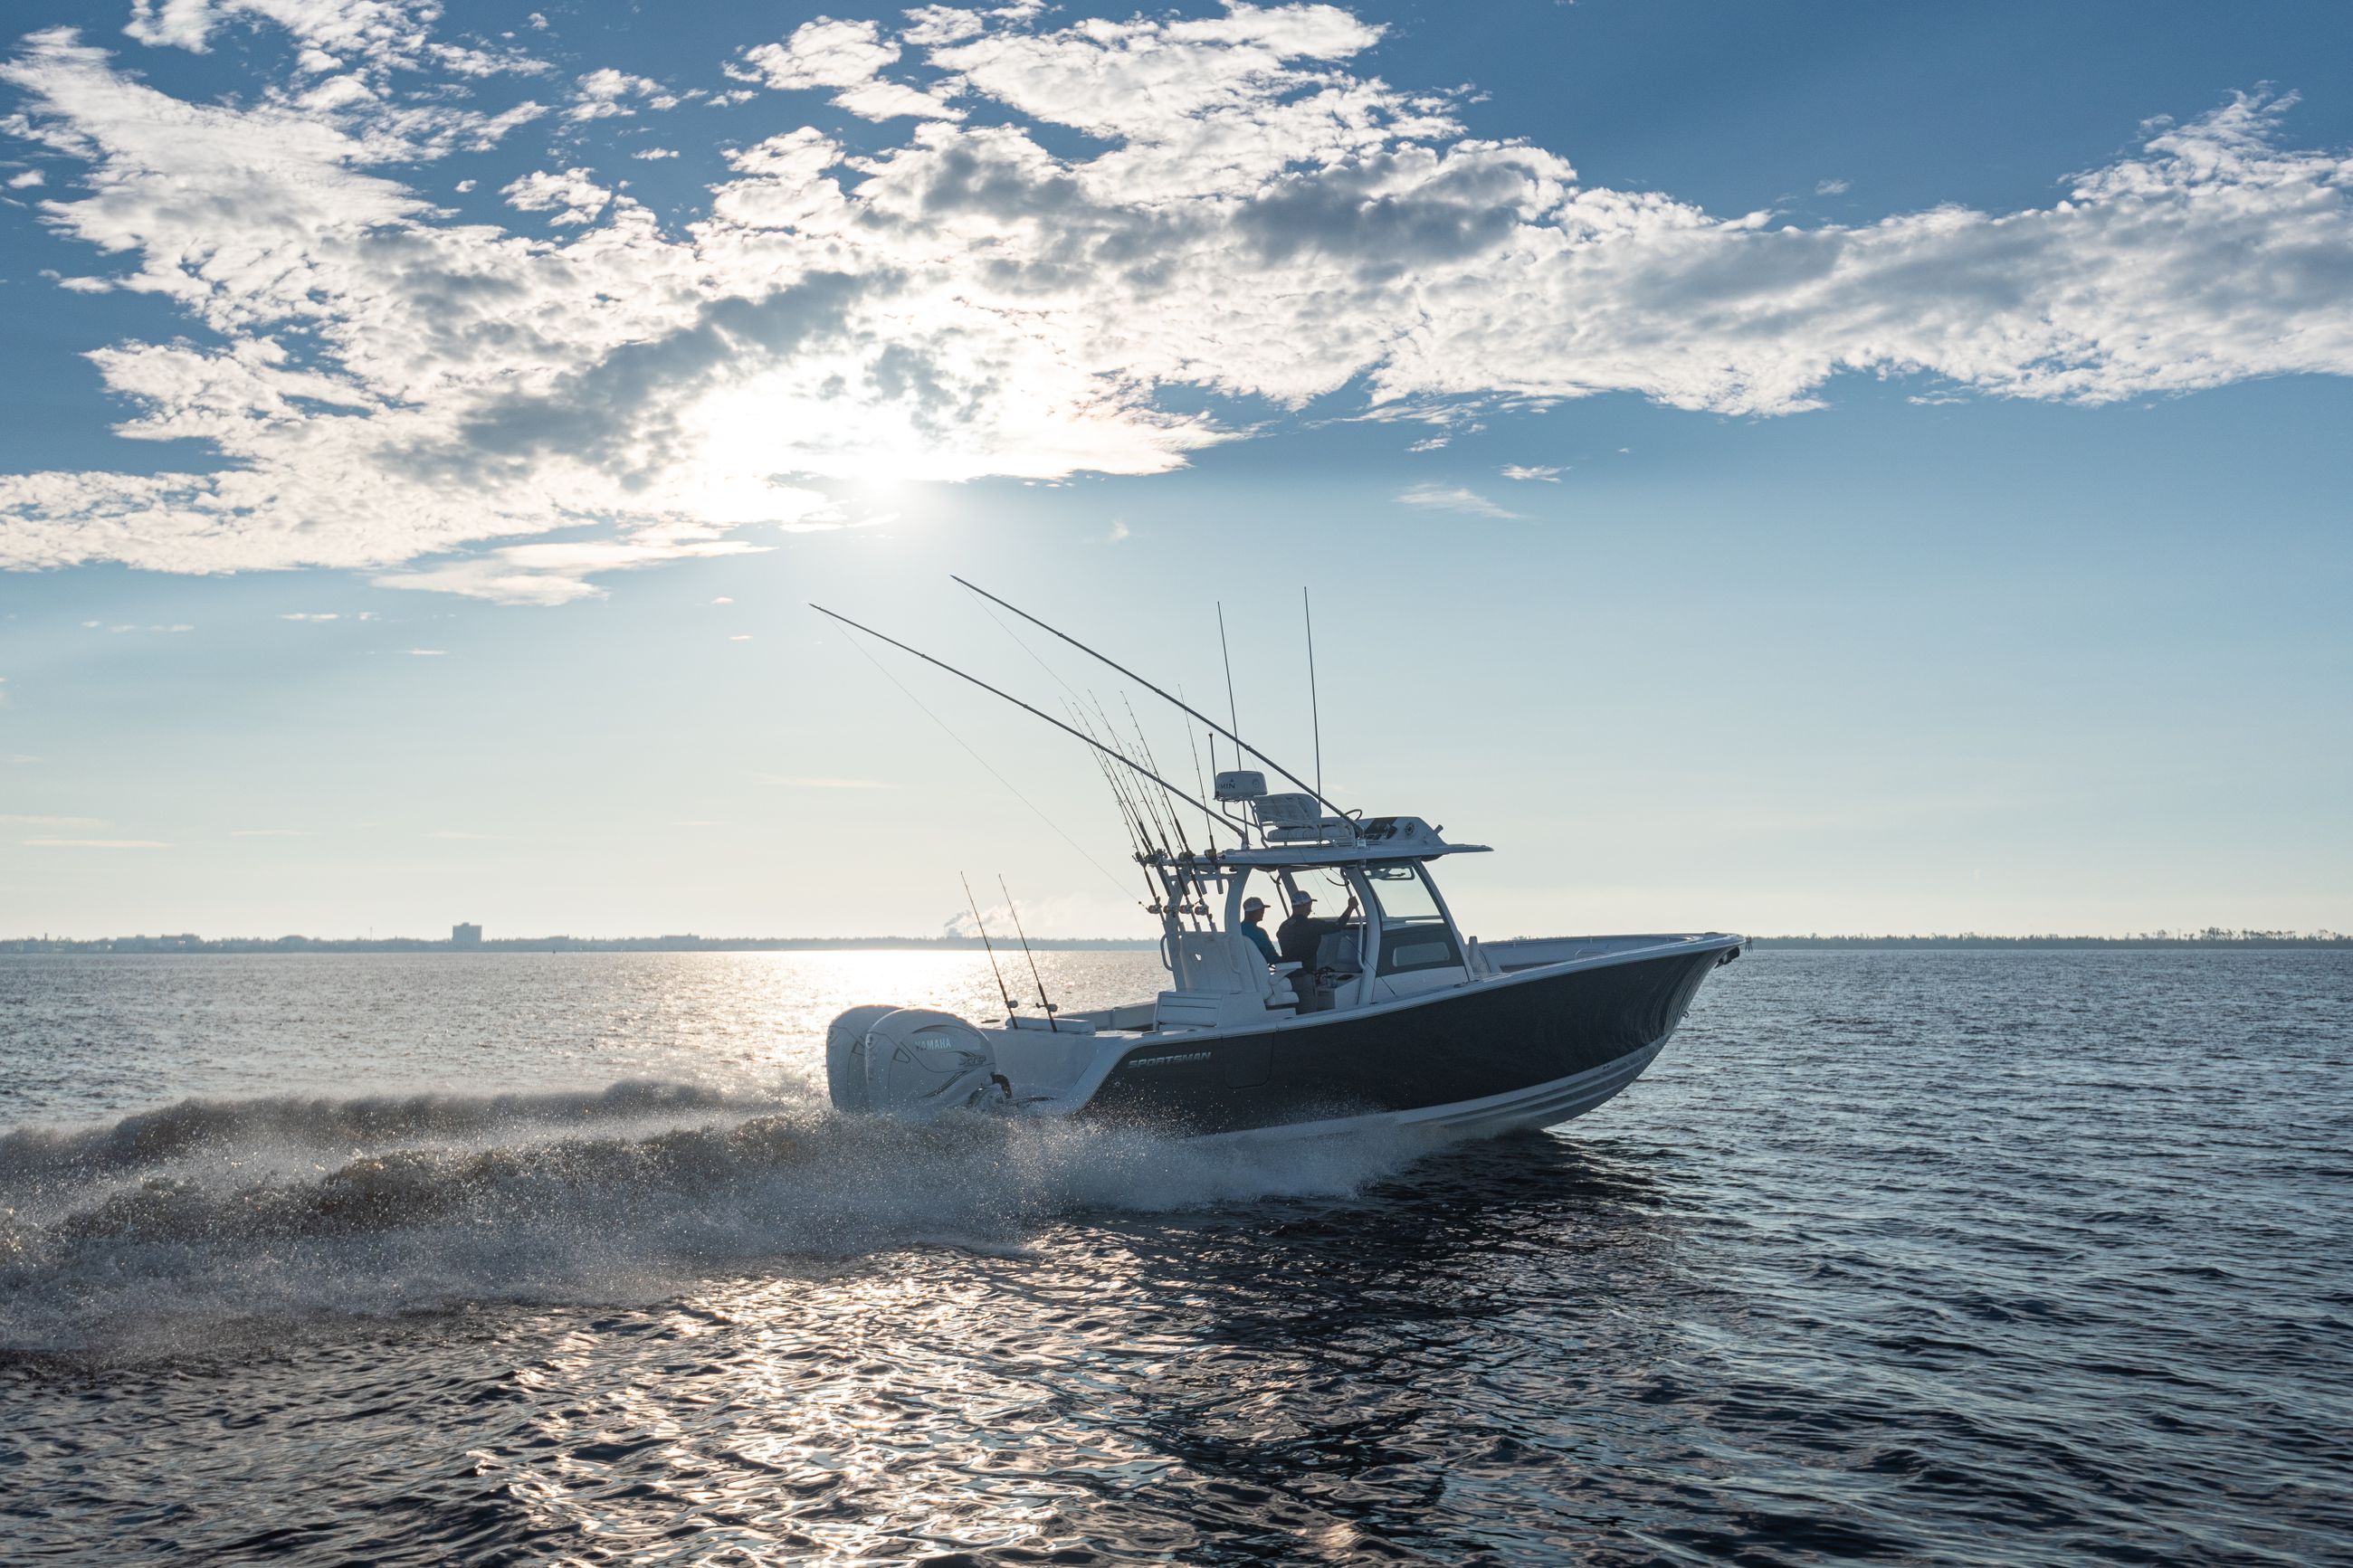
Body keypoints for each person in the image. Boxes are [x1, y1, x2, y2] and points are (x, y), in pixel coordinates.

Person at [1276, 889, 1358, 972]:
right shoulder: (1312, 924)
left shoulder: (1283, 926)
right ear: (1305, 905)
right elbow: (1337, 926)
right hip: (1304, 976)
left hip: (1286, 975)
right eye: (1310, 905)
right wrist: (1350, 907)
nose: (1310, 909)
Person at [1237, 895, 1281, 965]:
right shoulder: (1260, 933)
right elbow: (1273, 958)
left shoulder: (1236, 930)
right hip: (1259, 973)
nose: (1263, 912)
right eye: (1261, 910)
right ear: (1252, 912)